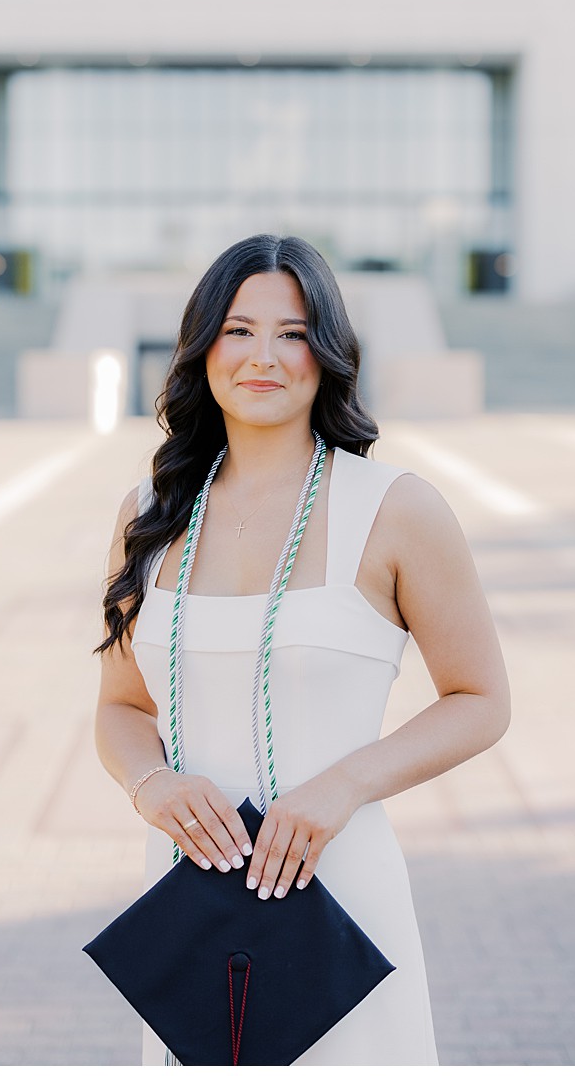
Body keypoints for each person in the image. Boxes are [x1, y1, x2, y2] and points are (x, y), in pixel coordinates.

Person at [93, 234, 510, 1064]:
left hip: (340, 893)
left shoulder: (395, 506)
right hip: (186, 899)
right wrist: (152, 784)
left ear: (327, 355)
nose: (264, 356)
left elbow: (482, 701)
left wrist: (346, 784)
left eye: (292, 333)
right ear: (202, 345)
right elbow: (120, 707)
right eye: (239, 330)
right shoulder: (151, 510)